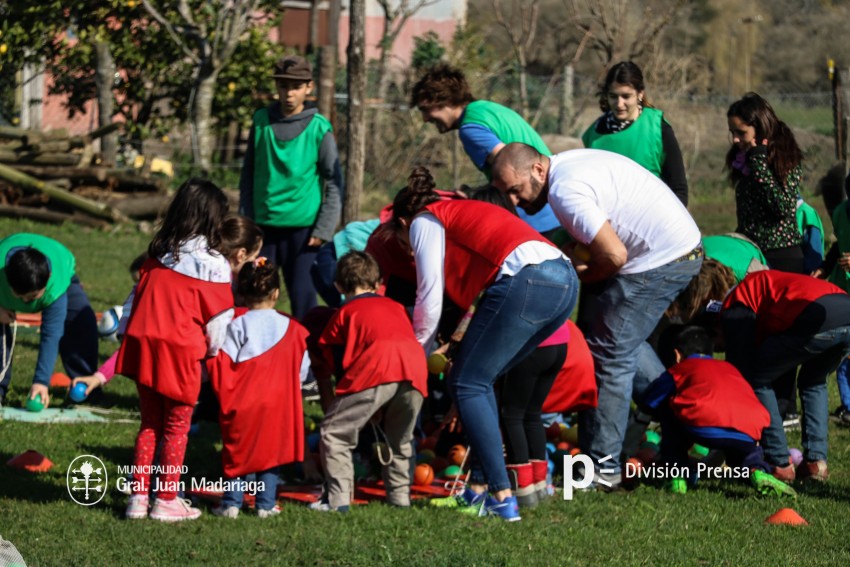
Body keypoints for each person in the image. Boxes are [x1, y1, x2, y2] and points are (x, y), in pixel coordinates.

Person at [491, 142, 702, 488]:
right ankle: (681, 423)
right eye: (505, 194)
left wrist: (578, 275)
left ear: (537, 171)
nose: (515, 201)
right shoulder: (566, 164)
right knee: (623, 344)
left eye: (515, 190)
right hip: (677, 248)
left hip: (660, 260)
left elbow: (614, 255)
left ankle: (602, 469)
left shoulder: (564, 191)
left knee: (610, 354)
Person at [392, 167, 578, 521]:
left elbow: (428, 299)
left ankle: (501, 496)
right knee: (482, 381)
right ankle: (477, 487)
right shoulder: (462, 213)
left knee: (467, 382)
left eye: (405, 246)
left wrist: (418, 354)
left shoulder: (425, 221)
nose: (411, 254)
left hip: (529, 279)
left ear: (404, 223)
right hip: (564, 280)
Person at [116, 178, 234, 522]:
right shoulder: (215, 264)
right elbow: (218, 319)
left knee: (149, 423)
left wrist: (124, 333)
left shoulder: (158, 252)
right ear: (214, 218)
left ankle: (138, 498)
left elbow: (133, 299)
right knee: (176, 427)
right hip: (182, 354)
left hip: (144, 345)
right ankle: (166, 498)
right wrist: (212, 353)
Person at [72, 215, 263, 397]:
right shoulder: (215, 288)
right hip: (188, 373)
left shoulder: (226, 283)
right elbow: (137, 343)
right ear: (241, 254)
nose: (257, 262)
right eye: (255, 255)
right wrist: (100, 376)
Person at [313, 251, 427, 512]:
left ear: (339, 287)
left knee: (334, 433)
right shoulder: (396, 306)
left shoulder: (345, 312)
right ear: (378, 284)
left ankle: (338, 500)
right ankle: (400, 498)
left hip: (377, 367)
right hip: (415, 370)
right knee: (401, 439)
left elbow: (337, 360)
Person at [718, 269, 850, 483]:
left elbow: (741, 372)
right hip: (845, 313)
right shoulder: (765, 286)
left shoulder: (736, 302)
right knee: (813, 381)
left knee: (756, 378)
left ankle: (779, 462)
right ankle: (816, 464)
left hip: (815, 319)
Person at [239, 55, 343, 320]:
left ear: (309, 87)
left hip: (304, 233)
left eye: (296, 86)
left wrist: (323, 228)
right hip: (264, 230)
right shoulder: (261, 120)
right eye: (283, 86)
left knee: (304, 301)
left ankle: (303, 358)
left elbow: (333, 181)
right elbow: (248, 173)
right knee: (253, 298)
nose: (289, 93)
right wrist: (247, 222)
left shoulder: (319, 128)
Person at [639, 326, 796, 497]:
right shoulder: (729, 368)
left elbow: (651, 400)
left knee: (669, 409)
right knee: (741, 453)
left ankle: (677, 475)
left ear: (677, 355)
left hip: (703, 423)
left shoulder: (680, 369)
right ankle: (756, 471)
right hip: (749, 429)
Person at [207, 259, 310, 518]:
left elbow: (223, 363)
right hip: (278, 402)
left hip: (243, 399)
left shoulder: (237, 324)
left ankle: (231, 502)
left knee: (237, 449)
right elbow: (302, 371)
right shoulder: (295, 329)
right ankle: (265, 504)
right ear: (276, 293)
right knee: (271, 454)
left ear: (241, 293)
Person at [410, 63, 561, 237]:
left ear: (445, 100)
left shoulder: (470, 129)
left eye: (426, 109)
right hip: (554, 209)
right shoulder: (488, 109)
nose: (425, 118)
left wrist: (473, 196)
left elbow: (511, 170)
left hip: (537, 219)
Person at [0, 233, 98, 408]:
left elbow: (51, 334)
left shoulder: (55, 284)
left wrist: (41, 382)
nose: (26, 303)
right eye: (21, 297)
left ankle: (89, 387)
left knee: (81, 322)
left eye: (33, 297)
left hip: (61, 268)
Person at [582, 61, 688, 206]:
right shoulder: (593, 135)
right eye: (613, 96)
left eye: (626, 96)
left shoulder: (657, 128)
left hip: (652, 221)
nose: (619, 104)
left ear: (640, 94)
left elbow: (679, 189)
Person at [726, 92, 804, 274]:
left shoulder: (785, 158)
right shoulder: (743, 160)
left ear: (760, 128)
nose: (735, 139)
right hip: (752, 254)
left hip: (781, 256)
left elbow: (783, 207)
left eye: (741, 132)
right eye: (732, 133)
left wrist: (759, 162)